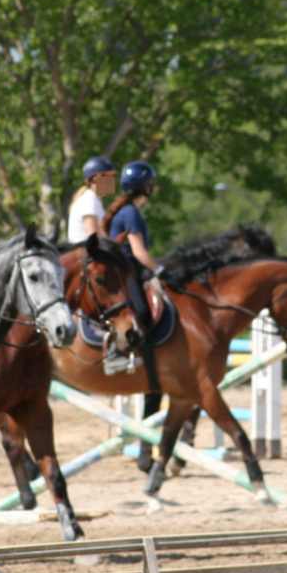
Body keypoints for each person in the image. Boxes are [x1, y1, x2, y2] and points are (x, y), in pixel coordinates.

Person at [102, 161, 169, 471]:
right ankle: (123, 352)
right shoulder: (131, 214)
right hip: (125, 275)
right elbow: (139, 252)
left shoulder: (125, 211)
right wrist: (158, 274)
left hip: (125, 272)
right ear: (147, 186)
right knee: (143, 312)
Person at [67, 156, 117, 243]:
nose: (113, 180)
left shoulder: (92, 198)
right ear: (95, 178)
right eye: (110, 176)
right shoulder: (90, 199)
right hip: (87, 254)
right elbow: (93, 236)